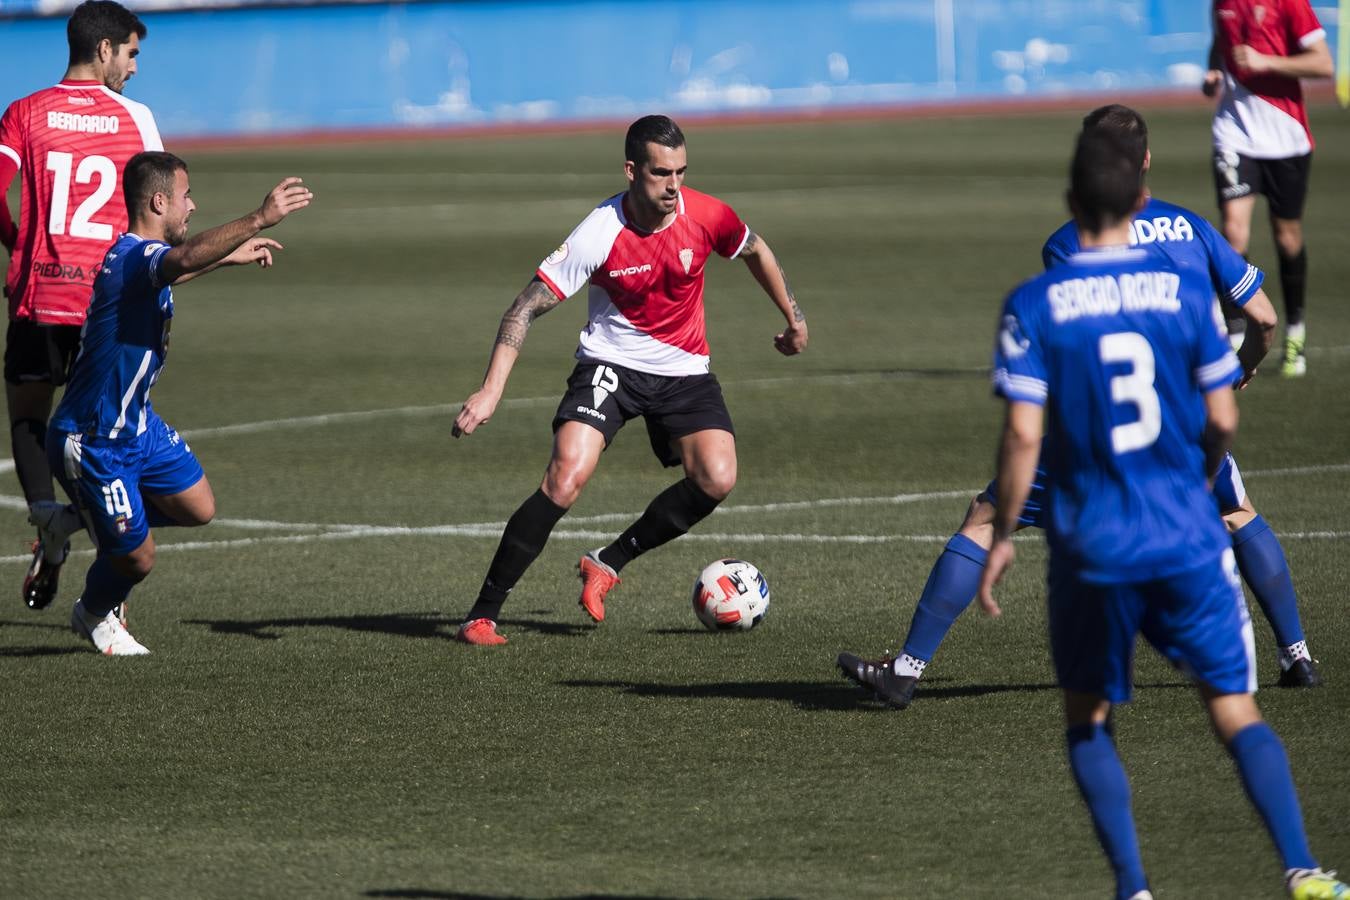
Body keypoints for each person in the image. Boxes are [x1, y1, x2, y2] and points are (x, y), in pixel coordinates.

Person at [836, 105, 1320, 711]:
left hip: (1089, 430)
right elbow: (1266, 318)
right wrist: (1241, 369)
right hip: (1182, 423)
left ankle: (905, 672)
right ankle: (1297, 656)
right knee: (1235, 511)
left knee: (985, 519)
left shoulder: (1065, 246)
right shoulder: (1194, 229)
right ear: (1145, 160)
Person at [976, 129, 1345, 900]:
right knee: (1235, 711)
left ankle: (1134, 889)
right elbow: (1223, 419)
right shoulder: (1183, 292)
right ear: (1142, 200)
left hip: (1091, 547)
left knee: (1089, 718)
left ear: (1072, 205)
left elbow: (1021, 434)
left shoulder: (1034, 303)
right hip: (1183, 535)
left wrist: (1005, 533)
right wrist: (1196, 479)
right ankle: (1302, 868)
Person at [451, 114, 807, 646]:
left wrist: (793, 318)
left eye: (682, 172)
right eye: (662, 173)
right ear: (631, 170)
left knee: (717, 478)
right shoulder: (601, 232)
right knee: (565, 478)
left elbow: (756, 249)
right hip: (609, 366)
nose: (674, 186)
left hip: (684, 370)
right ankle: (482, 615)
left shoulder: (707, 214)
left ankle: (608, 563)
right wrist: (492, 389)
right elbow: (523, 308)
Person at [51, 151, 312, 655]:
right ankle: (93, 612)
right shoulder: (135, 257)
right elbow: (181, 258)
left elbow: (176, 268)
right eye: (186, 196)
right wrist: (257, 218)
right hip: (95, 439)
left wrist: (226, 256)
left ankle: (78, 517)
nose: (192, 206)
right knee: (138, 560)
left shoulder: (133, 260)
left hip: (138, 428)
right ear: (158, 200)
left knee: (198, 507)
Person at [0, 0, 163, 612]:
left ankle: (47, 520)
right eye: (132, 52)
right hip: (108, 306)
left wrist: (19, 244)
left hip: (40, 295)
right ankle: (110, 575)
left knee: (28, 417)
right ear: (104, 50)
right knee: (112, 437)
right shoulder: (137, 121)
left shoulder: (25, 112)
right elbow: (160, 211)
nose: (135, 67)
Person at [1205, 0, 1333, 376]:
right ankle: (1234, 335)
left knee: (1287, 236)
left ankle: (1295, 333)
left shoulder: (1290, 3)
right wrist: (1213, 70)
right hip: (1234, 133)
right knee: (1233, 231)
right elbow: (1219, 40)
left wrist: (1266, 61)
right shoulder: (1221, 3)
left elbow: (1323, 63)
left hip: (1286, 136)